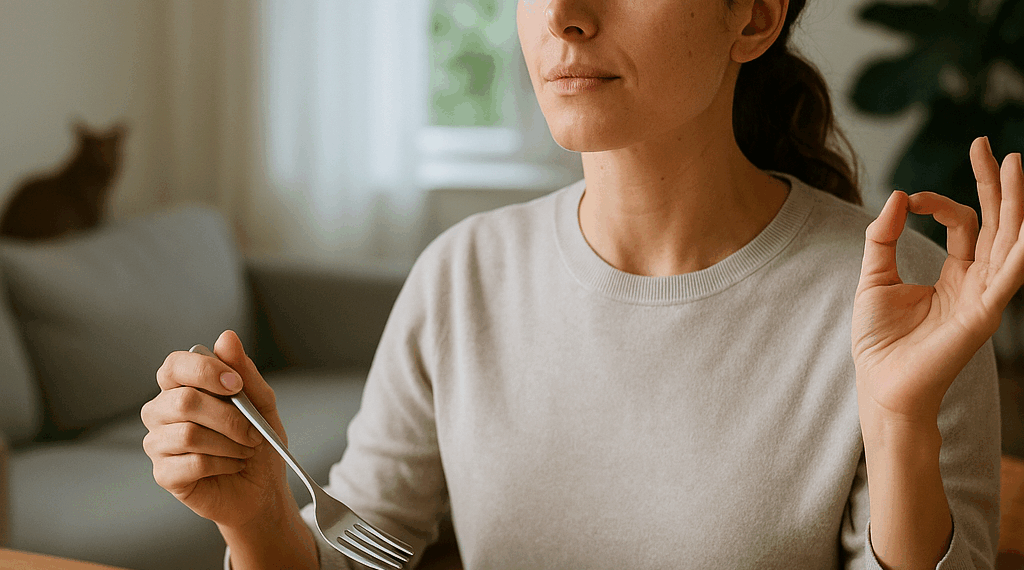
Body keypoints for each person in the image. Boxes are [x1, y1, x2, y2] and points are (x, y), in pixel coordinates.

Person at [142, 0, 1024, 568]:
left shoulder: (900, 295)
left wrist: (900, 420)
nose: (562, 15)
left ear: (751, 18)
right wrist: (258, 519)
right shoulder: (463, 274)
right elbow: (363, 557)